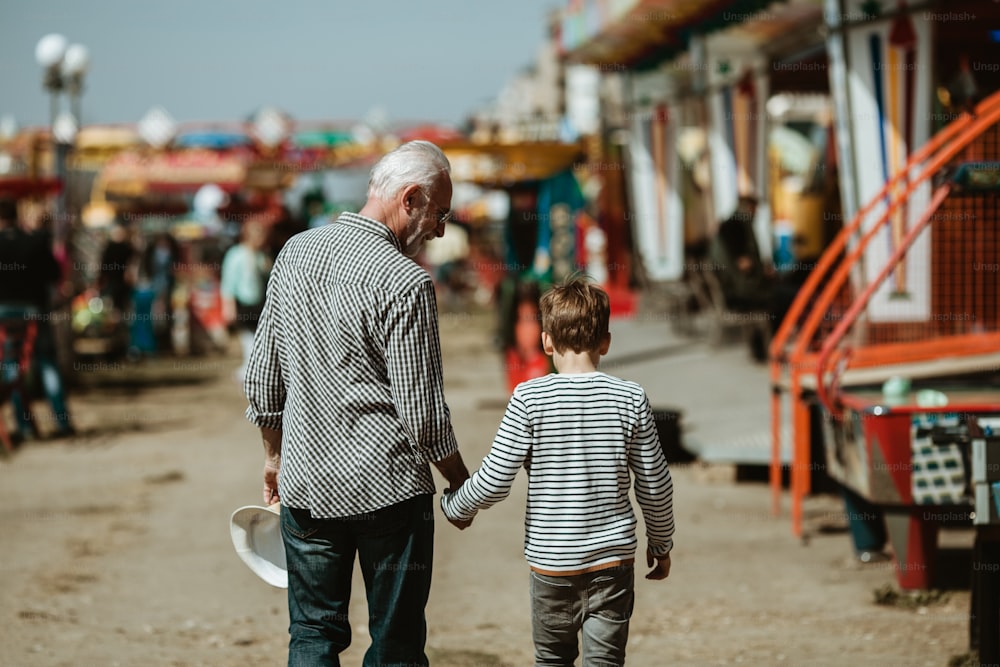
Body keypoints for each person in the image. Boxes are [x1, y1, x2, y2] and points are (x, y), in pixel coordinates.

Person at [243, 140, 472, 666]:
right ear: (410, 199)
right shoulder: (405, 282)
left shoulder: (295, 254)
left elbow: (261, 380)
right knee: (395, 645)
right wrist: (460, 479)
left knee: (312, 635)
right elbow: (422, 413)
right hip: (388, 492)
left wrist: (274, 458)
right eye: (440, 213)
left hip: (308, 487)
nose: (440, 229)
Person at [442, 276, 675, 666]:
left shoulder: (529, 398)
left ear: (546, 340)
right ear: (606, 342)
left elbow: (496, 480)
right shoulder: (630, 397)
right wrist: (661, 544)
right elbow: (655, 484)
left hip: (552, 566)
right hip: (611, 564)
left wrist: (457, 506)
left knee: (552, 659)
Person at [0, 199, 76, 441]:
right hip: (35, 311)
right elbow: (54, 274)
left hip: (3, 313)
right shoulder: (36, 241)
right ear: (17, 216)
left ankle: (23, 426)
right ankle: (62, 422)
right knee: (47, 364)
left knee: (12, 367)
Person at [220, 219, 271, 382]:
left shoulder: (261, 256)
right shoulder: (236, 254)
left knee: (258, 339)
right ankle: (248, 371)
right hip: (243, 303)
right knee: (249, 339)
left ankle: (251, 370)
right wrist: (229, 307)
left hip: (259, 303)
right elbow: (228, 283)